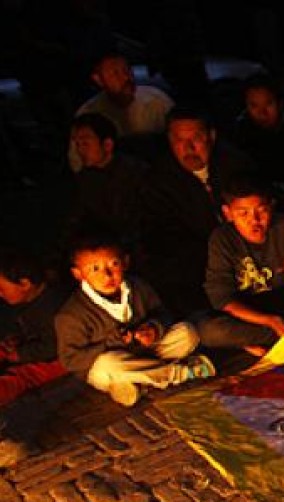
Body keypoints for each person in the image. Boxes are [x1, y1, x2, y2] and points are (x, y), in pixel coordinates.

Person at [54, 232, 215, 408]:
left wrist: (153, 328)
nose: (107, 275)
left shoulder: (138, 287)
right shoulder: (71, 314)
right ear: (78, 274)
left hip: (146, 351)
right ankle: (183, 372)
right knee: (108, 367)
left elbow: (162, 313)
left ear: (125, 262)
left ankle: (139, 382)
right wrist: (108, 344)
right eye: (94, 269)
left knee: (187, 332)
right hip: (114, 364)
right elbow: (71, 360)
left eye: (113, 264)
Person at [145, 106, 257, 314]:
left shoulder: (236, 164)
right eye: (179, 140)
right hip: (201, 266)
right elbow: (168, 238)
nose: (189, 148)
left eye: (196, 138)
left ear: (211, 137)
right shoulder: (158, 182)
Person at [197, 176, 284, 357]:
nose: (254, 220)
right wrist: (269, 321)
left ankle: (281, 333)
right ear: (228, 213)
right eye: (243, 214)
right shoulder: (222, 239)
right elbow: (223, 299)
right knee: (209, 330)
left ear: (271, 206)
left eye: (261, 211)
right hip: (250, 313)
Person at [69, 51, 174, 172]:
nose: (126, 77)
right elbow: (77, 162)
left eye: (127, 70)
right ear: (98, 79)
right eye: (115, 73)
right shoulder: (89, 114)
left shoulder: (157, 100)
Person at [65, 112, 151, 257]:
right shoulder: (85, 179)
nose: (80, 150)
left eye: (86, 143)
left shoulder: (136, 173)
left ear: (107, 144)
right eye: (78, 144)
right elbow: (77, 217)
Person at [229, 73, 284, 214]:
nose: (262, 112)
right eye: (254, 105)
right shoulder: (240, 134)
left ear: (280, 104)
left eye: (268, 104)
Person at [0, 248, 68, 408]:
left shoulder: (54, 309)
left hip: (62, 360)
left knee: (22, 376)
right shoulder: (29, 301)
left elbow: (55, 345)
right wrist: (15, 341)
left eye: (2, 289)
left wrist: (21, 354)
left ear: (24, 284)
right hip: (36, 348)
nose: (0, 294)